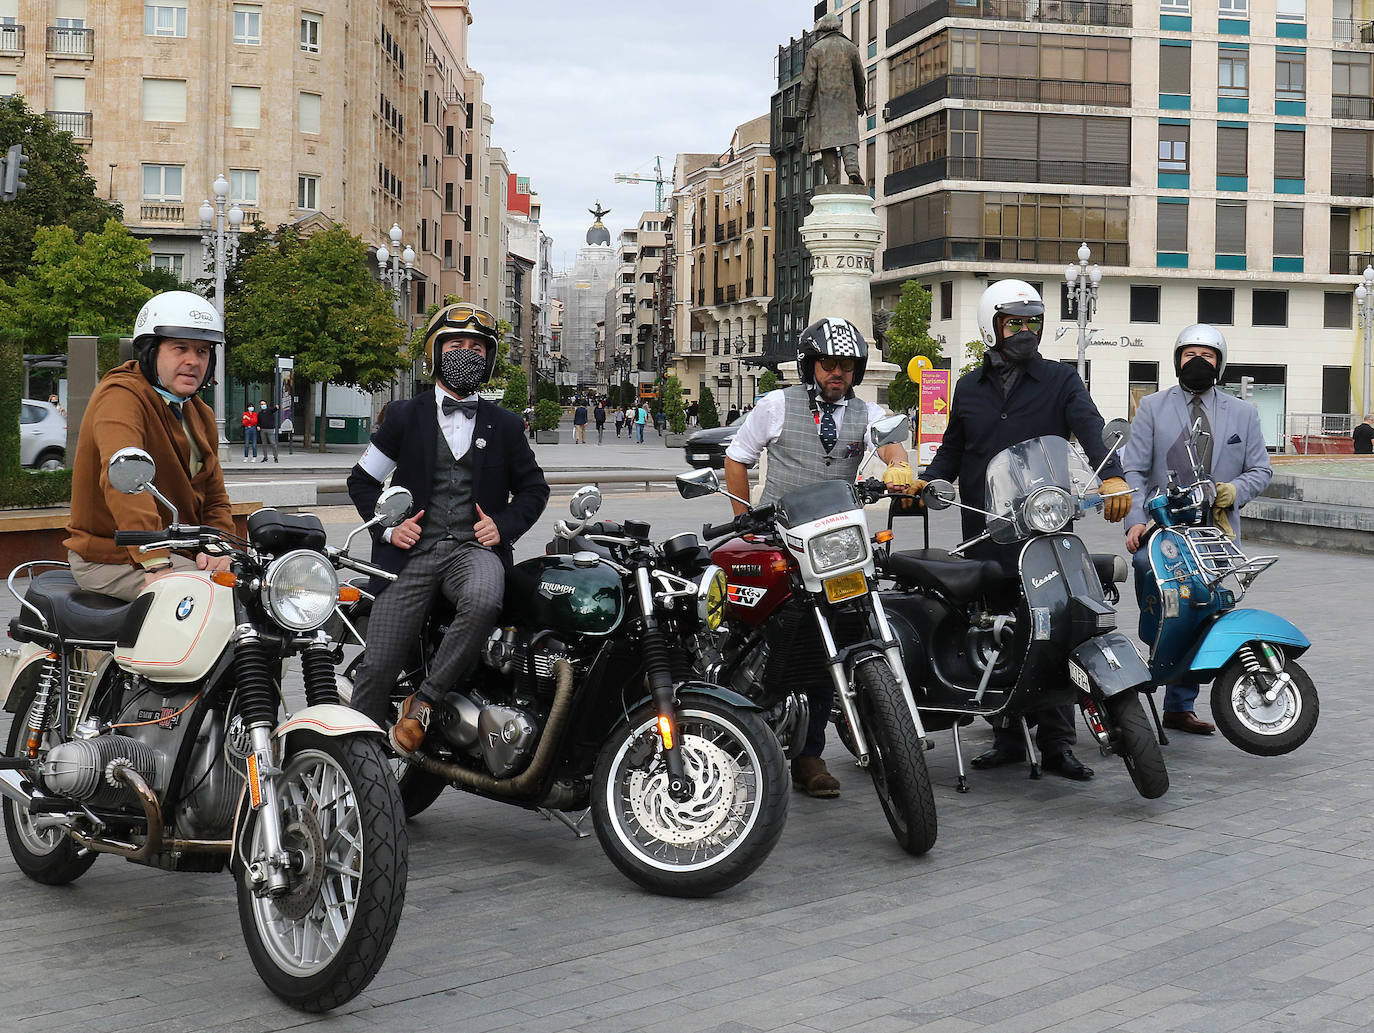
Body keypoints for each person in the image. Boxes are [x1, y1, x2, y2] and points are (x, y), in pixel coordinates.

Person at [916, 280, 1132, 782]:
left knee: (1055, 625)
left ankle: (1058, 744)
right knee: (994, 627)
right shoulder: (968, 387)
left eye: (1032, 322)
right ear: (991, 326)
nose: (1025, 332)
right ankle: (1008, 736)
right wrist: (929, 481)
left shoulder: (1061, 380)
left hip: (1046, 529)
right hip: (986, 529)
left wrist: (1113, 472)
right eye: (1014, 323)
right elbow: (953, 447)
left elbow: (1091, 424)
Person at [725, 316, 917, 798]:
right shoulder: (777, 404)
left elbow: (890, 442)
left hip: (835, 544)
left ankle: (811, 754)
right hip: (779, 538)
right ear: (811, 365)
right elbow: (737, 458)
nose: (839, 373)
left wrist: (897, 465)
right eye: (830, 364)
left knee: (839, 637)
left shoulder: (866, 412)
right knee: (762, 631)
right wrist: (745, 516)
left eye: (848, 366)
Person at [346, 303, 550, 754]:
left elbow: (535, 490)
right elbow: (362, 481)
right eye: (456, 344)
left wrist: (504, 525)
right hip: (410, 557)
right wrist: (387, 530)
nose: (467, 352)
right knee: (379, 664)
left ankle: (427, 701)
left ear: (489, 359)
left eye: (477, 346)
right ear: (435, 353)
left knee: (485, 599)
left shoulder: (507, 425)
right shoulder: (403, 415)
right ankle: (351, 762)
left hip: (472, 553)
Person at [1121, 324, 1273, 736]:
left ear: (1219, 364)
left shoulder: (1244, 412)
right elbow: (1132, 467)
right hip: (1163, 530)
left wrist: (1231, 491)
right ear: (1177, 361)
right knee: (1168, 604)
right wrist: (1135, 519)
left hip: (1217, 533)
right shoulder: (1151, 406)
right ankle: (1147, 673)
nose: (1198, 363)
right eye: (1190, 355)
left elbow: (1261, 469)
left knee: (1209, 611)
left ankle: (1180, 706)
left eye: (1207, 356)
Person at [65, 290, 235, 601]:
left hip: (179, 552)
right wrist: (155, 562)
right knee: (209, 599)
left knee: (262, 594)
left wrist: (216, 547)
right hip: (111, 557)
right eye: (180, 348)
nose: (193, 361)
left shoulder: (200, 414)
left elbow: (214, 496)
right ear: (150, 351)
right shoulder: (121, 396)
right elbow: (125, 481)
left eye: (203, 351)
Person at [796, 13, 866, 186]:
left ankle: (832, 180)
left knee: (827, 143)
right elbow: (860, 79)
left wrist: (801, 109)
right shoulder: (850, 48)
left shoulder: (816, 49)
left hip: (823, 107)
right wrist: (860, 102)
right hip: (847, 105)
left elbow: (808, 83)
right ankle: (852, 171)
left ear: (822, 31)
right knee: (848, 139)